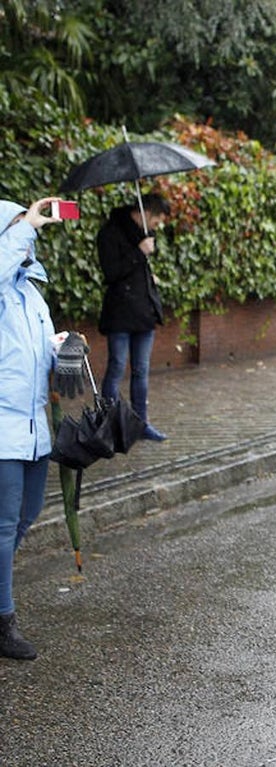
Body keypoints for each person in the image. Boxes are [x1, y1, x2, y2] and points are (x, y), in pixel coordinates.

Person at [0, 197, 85, 660]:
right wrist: (26, 224)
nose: (28, 235)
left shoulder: (32, 293)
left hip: (35, 429)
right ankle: (3, 621)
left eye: (26, 225)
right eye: (15, 226)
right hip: (2, 429)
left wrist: (65, 348)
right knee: (3, 524)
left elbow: (40, 352)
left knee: (28, 515)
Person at [97, 193, 171, 442]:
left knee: (141, 370)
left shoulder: (146, 235)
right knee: (117, 366)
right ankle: (111, 424)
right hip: (119, 313)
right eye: (157, 221)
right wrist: (139, 252)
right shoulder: (110, 232)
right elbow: (111, 272)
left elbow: (139, 270)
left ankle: (140, 424)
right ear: (147, 213)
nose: (157, 227)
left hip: (143, 313)